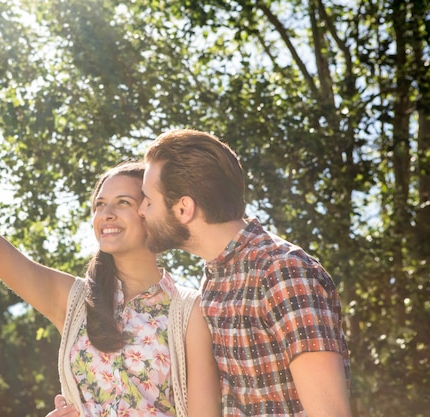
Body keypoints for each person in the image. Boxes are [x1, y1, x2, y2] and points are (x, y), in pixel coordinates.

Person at [0, 75, 220, 417]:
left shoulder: (189, 312)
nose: (106, 214)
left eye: (123, 202)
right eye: (100, 204)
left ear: (150, 211)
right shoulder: (75, 301)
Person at [138, 128, 353, 417]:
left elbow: (331, 413)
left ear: (183, 208)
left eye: (148, 200)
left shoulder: (283, 271)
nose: (141, 210)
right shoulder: (215, 281)